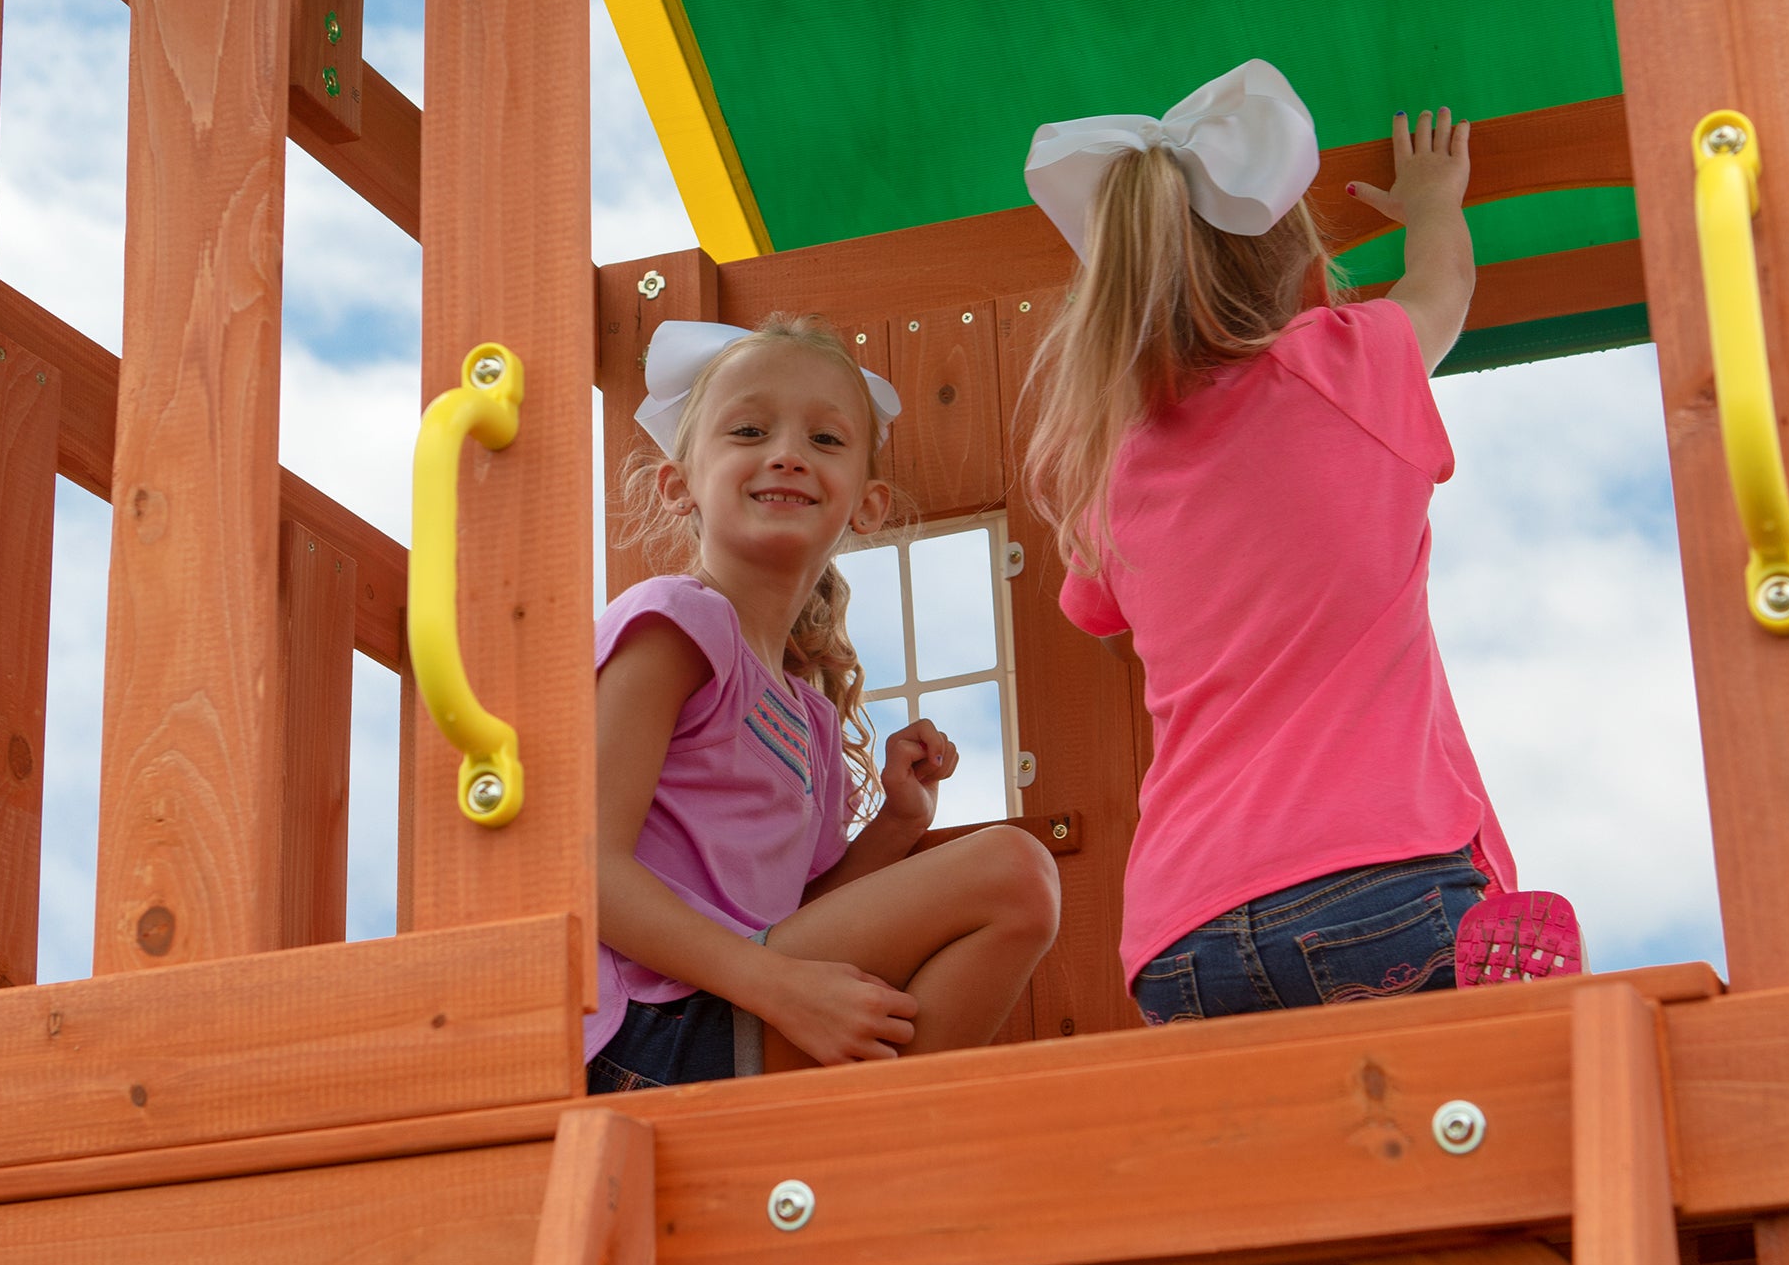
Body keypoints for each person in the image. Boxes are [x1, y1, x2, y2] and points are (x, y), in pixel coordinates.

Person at [1019, 59, 1577, 1023]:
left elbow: (1096, 610)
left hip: (1179, 936)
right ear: (1315, 276)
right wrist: (1434, 202)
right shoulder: (1346, 365)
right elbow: (1443, 284)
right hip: (1383, 876)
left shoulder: (1113, 460)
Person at [588, 314, 1060, 1091]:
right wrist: (773, 986)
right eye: (747, 430)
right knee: (1013, 871)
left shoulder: (809, 717)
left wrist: (898, 825)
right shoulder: (678, 620)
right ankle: (877, 1149)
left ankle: (859, 1152)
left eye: (826, 441)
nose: (786, 454)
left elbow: (800, 916)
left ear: (866, 505)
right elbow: (584, 866)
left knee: (1018, 886)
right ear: (679, 486)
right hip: (648, 1027)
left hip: (738, 1004)